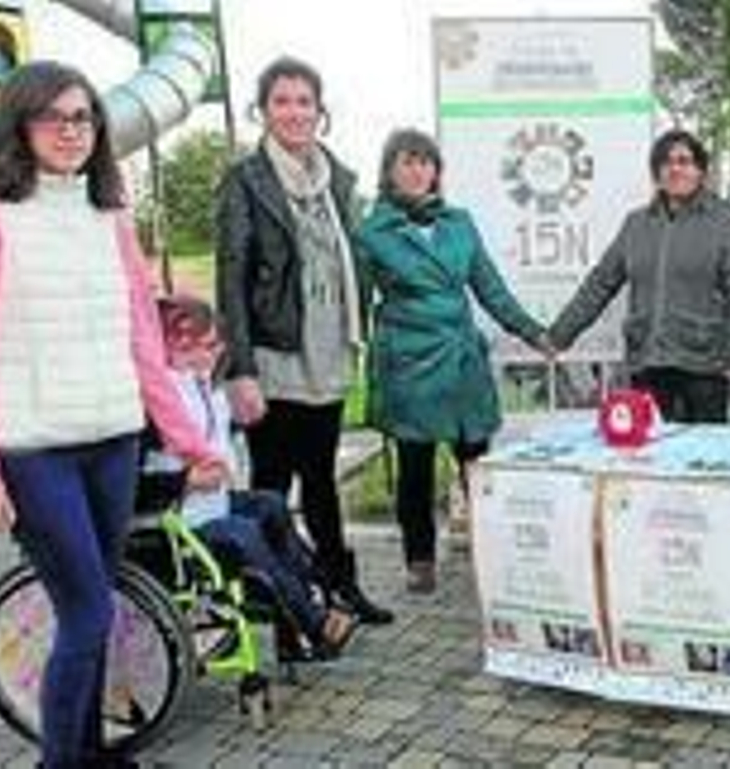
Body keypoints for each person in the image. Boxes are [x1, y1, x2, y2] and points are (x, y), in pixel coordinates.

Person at [0, 60, 224, 767]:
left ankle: (90, 751)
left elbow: (143, 340)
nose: (72, 131)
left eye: (84, 117)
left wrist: (189, 441)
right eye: (53, 117)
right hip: (34, 450)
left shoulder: (109, 212)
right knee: (88, 611)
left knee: (93, 610)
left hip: (113, 442)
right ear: (19, 124)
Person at [215, 56, 392, 625]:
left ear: (320, 111)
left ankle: (339, 584)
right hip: (274, 355)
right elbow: (232, 279)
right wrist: (240, 369)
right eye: (282, 101)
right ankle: (278, 597)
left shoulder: (337, 180)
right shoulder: (245, 181)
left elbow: (354, 260)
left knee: (321, 480)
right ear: (264, 112)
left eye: (304, 102)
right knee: (271, 487)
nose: (294, 112)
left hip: (328, 350)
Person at [358, 129, 550, 593]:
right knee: (416, 467)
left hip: (463, 361)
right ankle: (419, 560)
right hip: (412, 362)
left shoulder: (459, 223)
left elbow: (490, 287)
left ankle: (491, 554)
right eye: (407, 162)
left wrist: (533, 332)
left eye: (426, 162)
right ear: (389, 171)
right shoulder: (370, 232)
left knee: (476, 464)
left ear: (436, 171)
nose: (418, 170)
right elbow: (357, 303)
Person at [145, 295, 356, 656]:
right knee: (244, 533)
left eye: (216, 344)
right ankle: (313, 622)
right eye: (206, 346)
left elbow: (216, 435)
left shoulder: (199, 384)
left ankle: (313, 598)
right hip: (173, 521)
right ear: (173, 344)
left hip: (209, 505)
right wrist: (185, 481)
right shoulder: (153, 405)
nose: (216, 354)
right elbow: (129, 486)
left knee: (271, 505)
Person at [548, 128, 730, 423]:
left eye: (684, 161)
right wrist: (559, 334)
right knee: (651, 449)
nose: (675, 169)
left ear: (700, 171)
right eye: (666, 162)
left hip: (705, 369)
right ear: (656, 172)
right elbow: (600, 283)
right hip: (647, 364)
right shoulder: (636, 224)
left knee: (701, 450)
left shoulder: (726, 221)